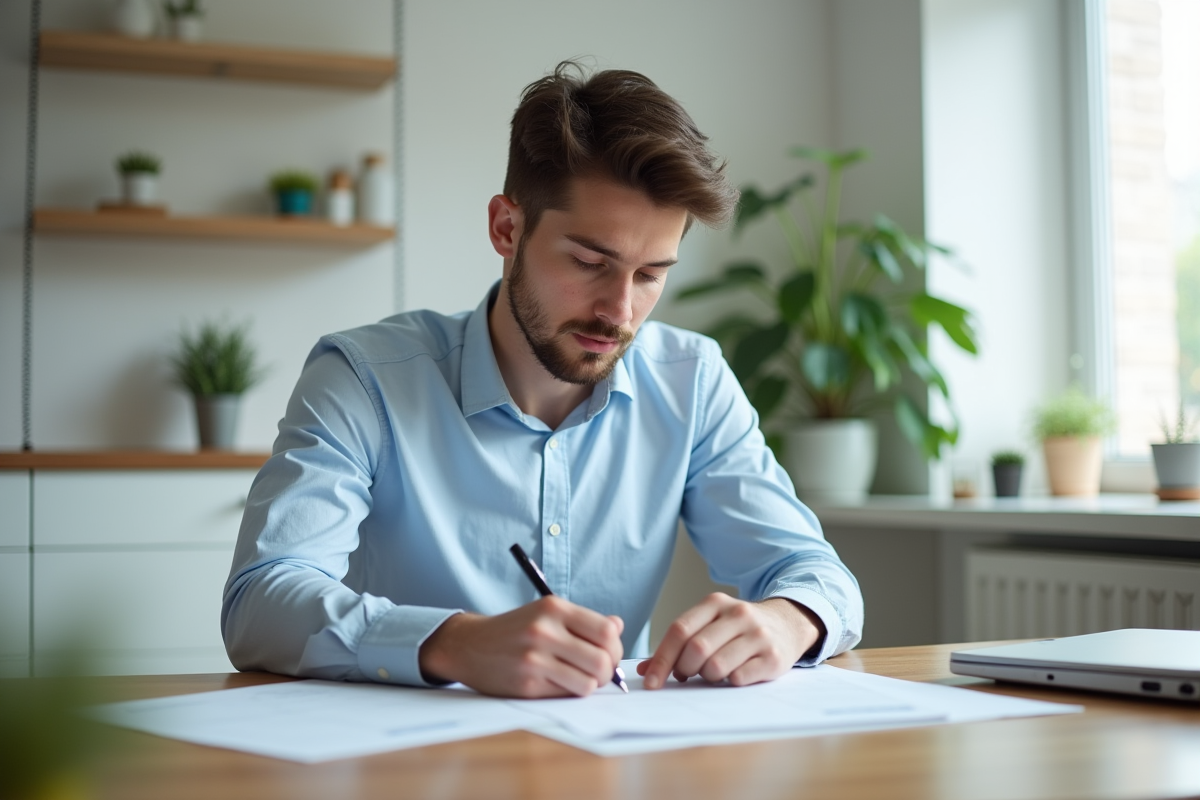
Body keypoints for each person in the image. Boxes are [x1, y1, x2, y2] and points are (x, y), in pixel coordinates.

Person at [222, 61, 863, 699]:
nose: (619, 311)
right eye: (589, 262)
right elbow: (261, 600)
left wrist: (787, 621)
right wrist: (453, 643)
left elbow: (816, 576)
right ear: (508, 228)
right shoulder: (364, 380)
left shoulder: (691, 381)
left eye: (650, 276)